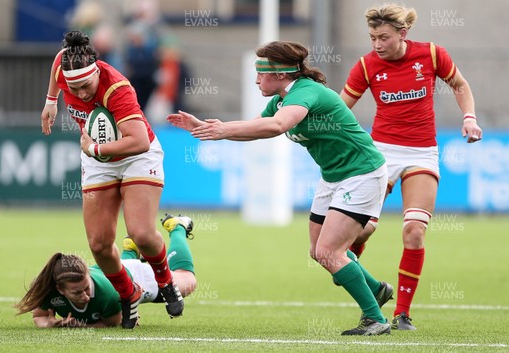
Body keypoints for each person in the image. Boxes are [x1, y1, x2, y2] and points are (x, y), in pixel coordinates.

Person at [167, 41, 393, 336]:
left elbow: (277, 127)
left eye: (261, 73)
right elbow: (256, 128)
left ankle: (375, 319)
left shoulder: (305, 91)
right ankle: (376, 289)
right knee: (318, 251)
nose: (256, 79)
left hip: (362, 172)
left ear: (281, 74)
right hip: (334, 176)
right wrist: (208, 127)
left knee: (329, 250)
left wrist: (223, 129)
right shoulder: (281, 100)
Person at [340, 4, 483, 330]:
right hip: (380, 154)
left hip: (421, 153)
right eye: (373, 37)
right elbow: (341, 108)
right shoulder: (366, 65)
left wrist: (469, 118)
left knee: (414, 231)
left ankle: (402, 314)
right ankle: (372, 287)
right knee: (359, 232)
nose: (377, 44)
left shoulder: (431, 55)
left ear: (403, 34)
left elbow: (460, 85)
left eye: (384, 37)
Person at [40, 30, 183, 329]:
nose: (79, 93)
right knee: (99, 243)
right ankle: (128, 294)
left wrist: (94, 148)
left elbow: (139, 141)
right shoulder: (65, 66)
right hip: (98, 162)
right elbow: (57, 64)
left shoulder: (117, 88)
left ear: (96, 71)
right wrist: (51, 101)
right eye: (73, 88)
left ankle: (166, 281)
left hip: (135, 157)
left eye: (85, 85)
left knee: (141, 233)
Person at [14, 215, 196, 328]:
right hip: (115, 269)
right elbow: (40, 317)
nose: (85, 295)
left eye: (86, 288)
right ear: (60, 290)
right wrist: (52, 324)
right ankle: (130, 249)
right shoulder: (50, 289)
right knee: (120, 266)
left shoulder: (107, 294)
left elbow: (113, 322)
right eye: (77, 292)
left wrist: (80, 325)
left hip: (136, 277)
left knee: (187, 281)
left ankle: (177, 227)